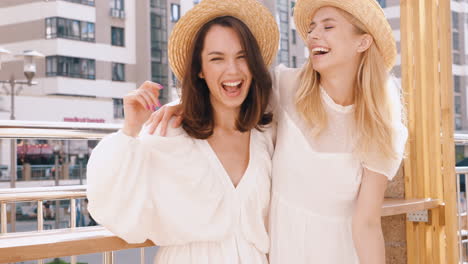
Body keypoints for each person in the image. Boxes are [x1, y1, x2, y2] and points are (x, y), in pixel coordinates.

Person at [150, 0, 408, 263]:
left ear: (362, 42)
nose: (314, 35)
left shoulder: (382, 126)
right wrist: (180, 104)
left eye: (328, 26)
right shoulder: (284, 87)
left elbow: (366, 224)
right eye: (311, 29)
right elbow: (228, 91)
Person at [85, 0, 279, 263]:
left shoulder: (265, 134)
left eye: (242, 56)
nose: (232, 70)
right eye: (216, 58)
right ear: (200, 70)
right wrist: (130, 128)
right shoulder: (169, 133)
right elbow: (111, 203)